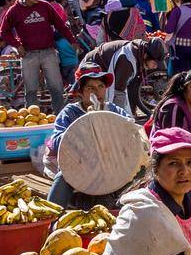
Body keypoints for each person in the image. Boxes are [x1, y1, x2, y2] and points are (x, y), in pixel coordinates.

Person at [43, 63, 133, 208]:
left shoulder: (113, 110)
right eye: (91, 88)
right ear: (80, 92)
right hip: (79, 164)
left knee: (139, 171)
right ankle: (50, 220)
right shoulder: (70, 112)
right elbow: (57, 142)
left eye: (101, 87)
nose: (97, 92)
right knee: (63, 176)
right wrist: (83, 128)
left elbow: (132, 131)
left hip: (111, 164)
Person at [0, 0, 79, 110]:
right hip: (28, 54)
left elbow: (60, 25)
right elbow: (3, 31)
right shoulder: (14, 11)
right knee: (31, 89)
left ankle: (59, 114)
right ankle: (32, 116)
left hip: (49, 52)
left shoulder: (45, 6)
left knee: (56, 87)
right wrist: (17, 45)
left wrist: (72, 41)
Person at [81, 37, 168, 118]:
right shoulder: (127, 61)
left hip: (102, 68)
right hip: (91, 67)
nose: (155, 67)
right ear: (146, 56)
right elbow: (118, 92)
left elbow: (130, 88)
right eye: (154, 63)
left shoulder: (138, 52)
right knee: (98, 110)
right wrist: (120, 119)